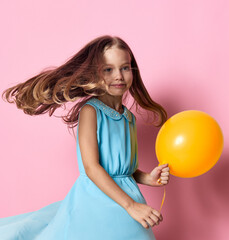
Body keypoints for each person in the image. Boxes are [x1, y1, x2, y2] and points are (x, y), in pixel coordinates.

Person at [0, 35, 170, 240]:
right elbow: (92, 167)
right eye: (108, 69)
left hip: (129, 199)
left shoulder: (129, 118)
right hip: (98, 201)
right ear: (95, 74)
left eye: (125, 68)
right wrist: (131, 206)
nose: (118, 76)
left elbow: (125, 170)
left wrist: (147, 178)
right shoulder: (91, 111)